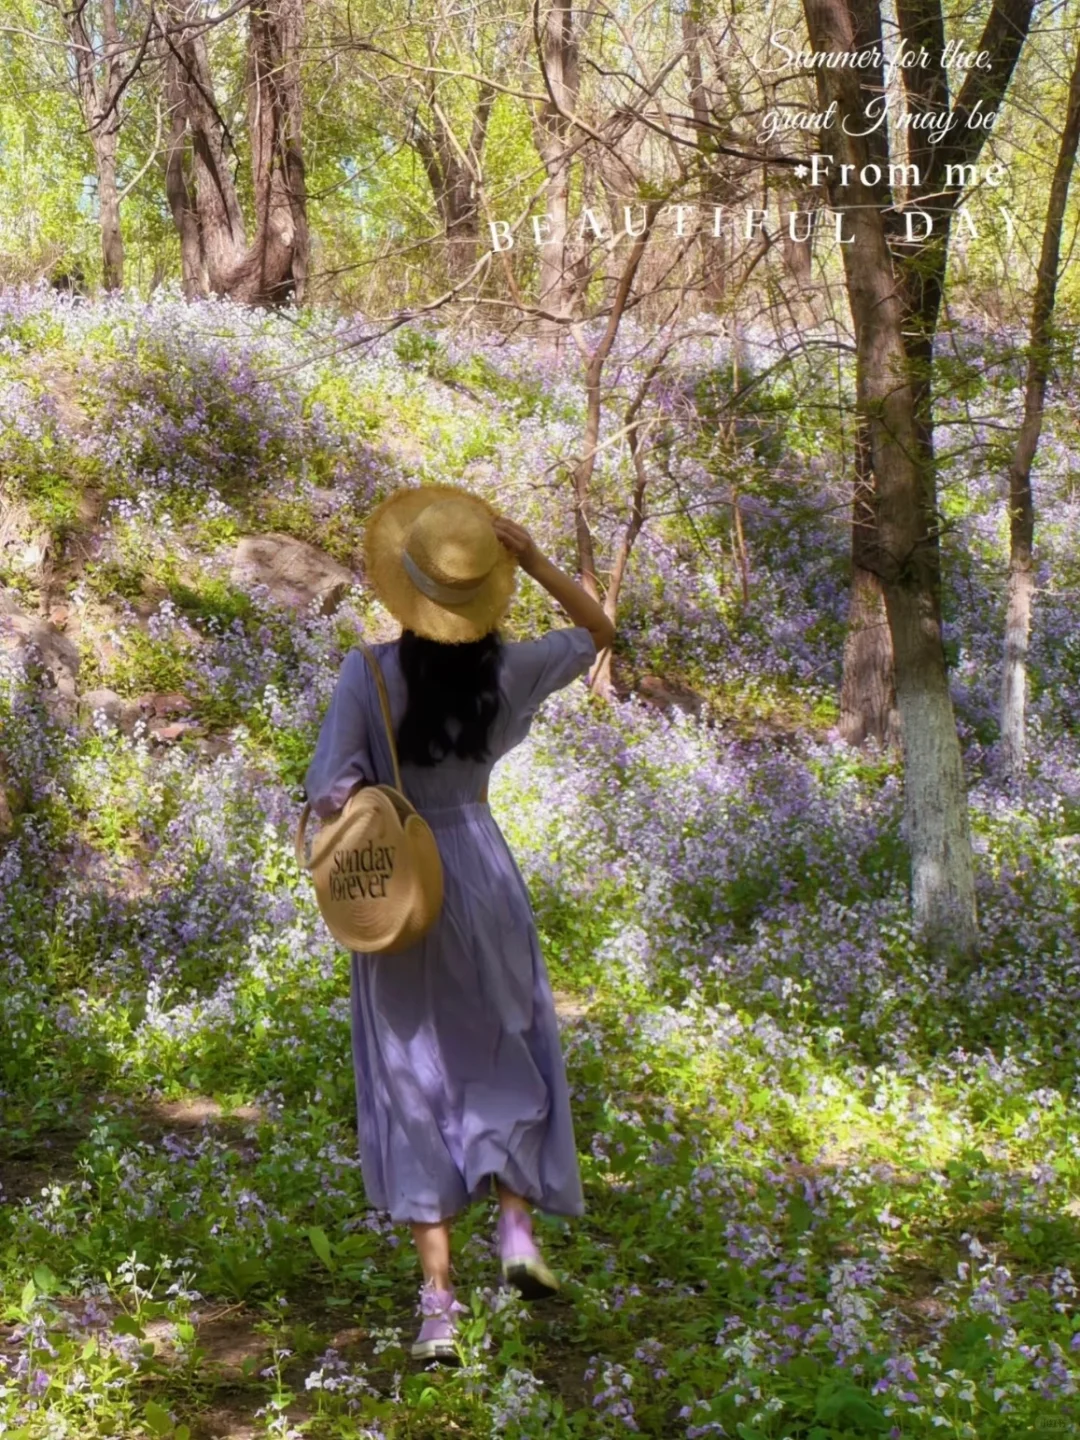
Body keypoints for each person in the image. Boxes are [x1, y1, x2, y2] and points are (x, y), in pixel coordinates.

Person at [303, 483, 616, 1365]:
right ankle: (517, 1232)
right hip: (481, 869)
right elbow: (599, 632)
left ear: (404, 590)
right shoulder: (506, 671)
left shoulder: (367, 673)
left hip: (404, 884)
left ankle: (438, 1307)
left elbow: (331, 787)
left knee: (412, 1079)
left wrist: (355, 796)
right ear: (482, 590)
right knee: (500, 1046)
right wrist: (539, 560)